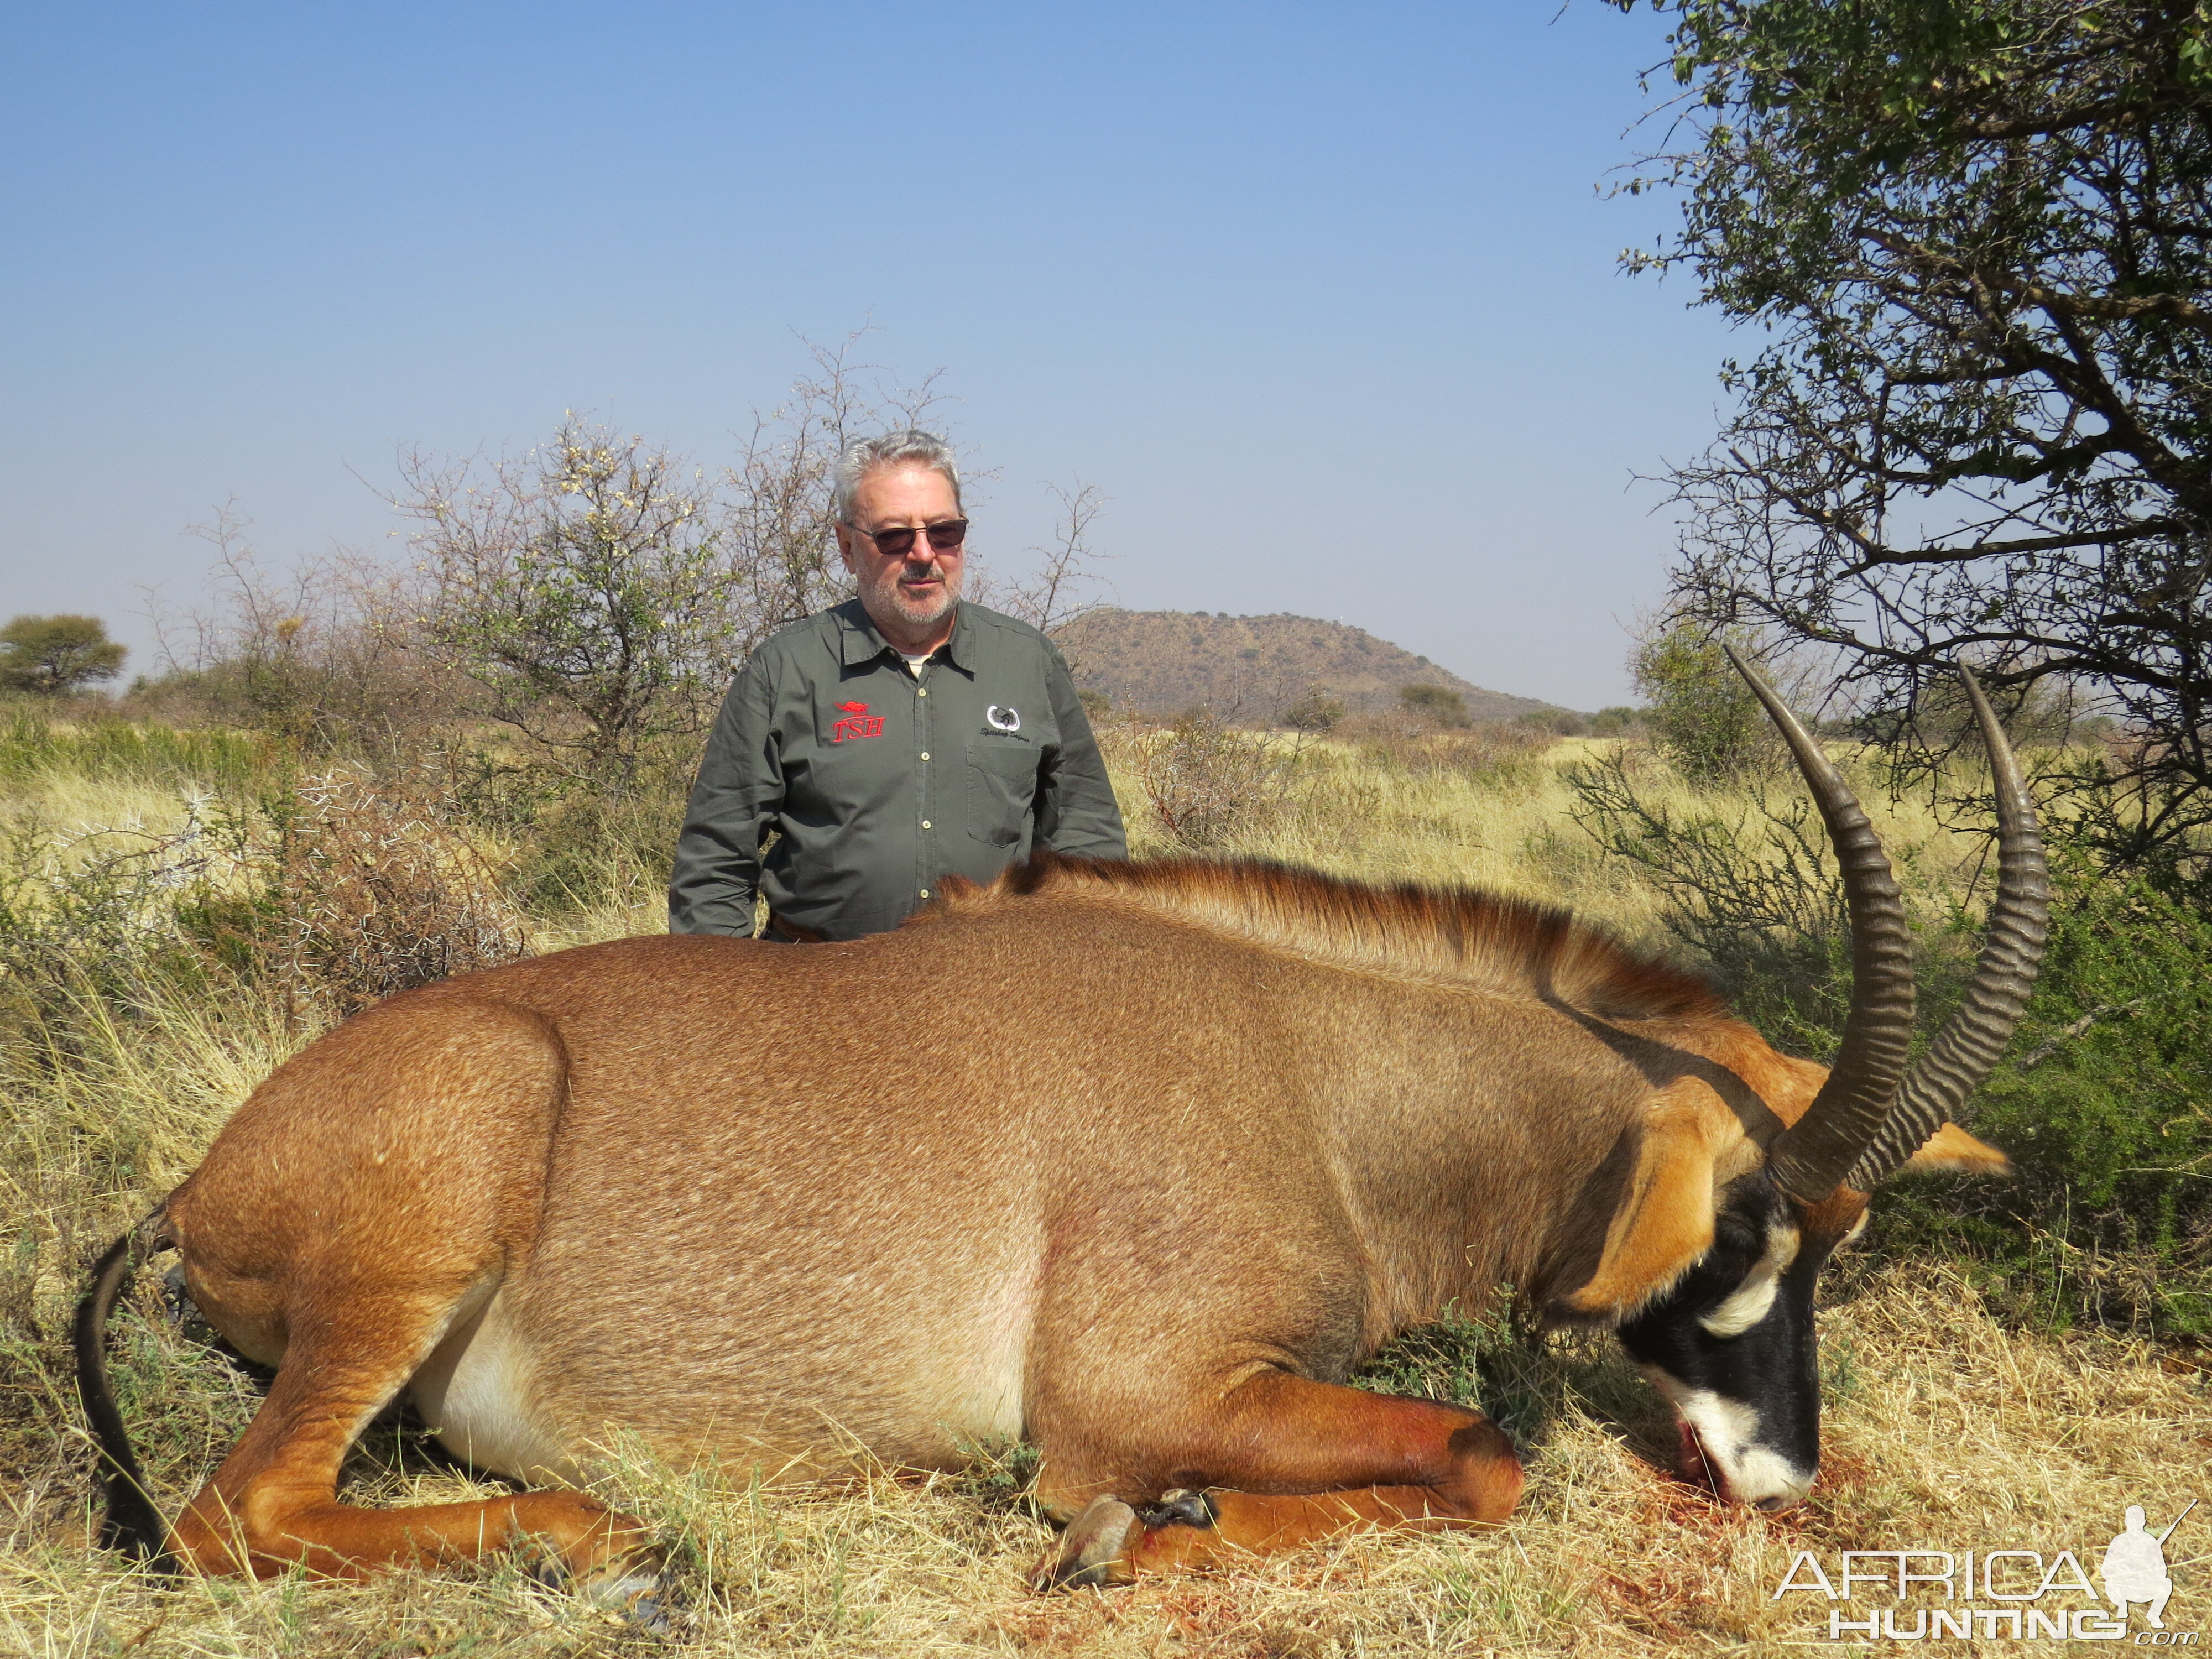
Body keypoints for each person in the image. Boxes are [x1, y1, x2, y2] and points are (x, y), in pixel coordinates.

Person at [669, 429, 1127, 941]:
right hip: (821, 991)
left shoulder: (1028, 663)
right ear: (847, 546)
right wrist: (726, 1004)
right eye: (894, 536)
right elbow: (714, 864)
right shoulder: (783, 672)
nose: (924, 554)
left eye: (944, 532)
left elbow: (1086, 839)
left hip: (994, 995)